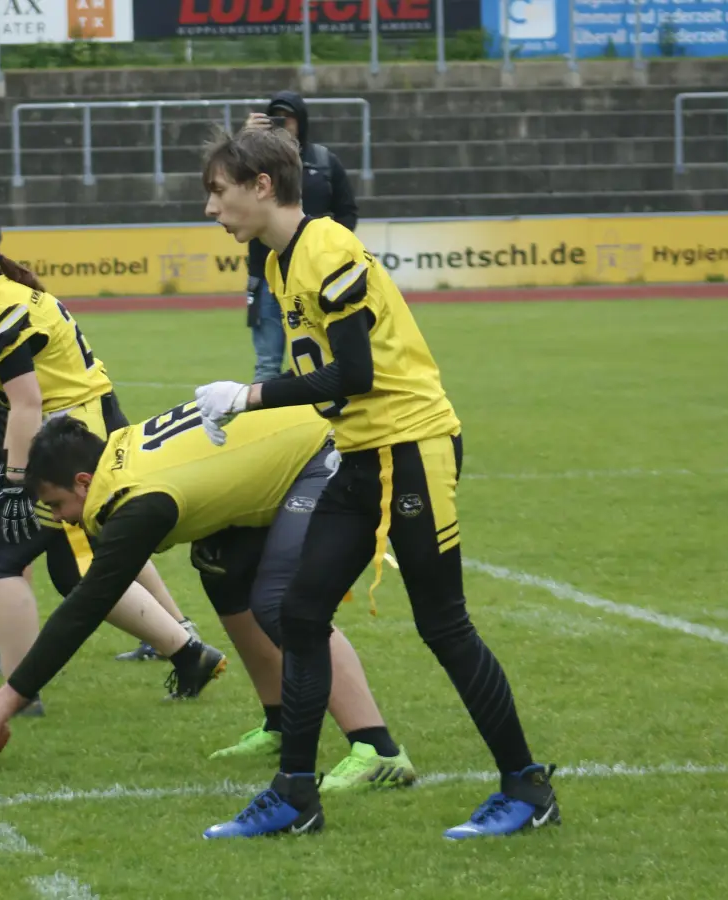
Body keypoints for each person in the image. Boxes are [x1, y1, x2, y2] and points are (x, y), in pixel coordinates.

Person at [193, 127, 556, 840]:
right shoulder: (277, 261)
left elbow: (356, 374)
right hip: (362, 452)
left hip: (410, 448)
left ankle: (527, 787)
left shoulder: (327, 249)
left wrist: (249, 397)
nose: (211, 208)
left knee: (443, 624)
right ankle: (296, 794)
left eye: (217, 190)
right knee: (299, 612)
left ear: (262, 185)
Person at [0, 407, 418, 795]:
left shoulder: (133, 498)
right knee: (222, 573)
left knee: (280, 602)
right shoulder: (117, 458)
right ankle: (281, 724)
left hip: (324, 454)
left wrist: (9, 696)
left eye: (60, 504)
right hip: (287, 452)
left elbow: (88, 604)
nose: (65, 520)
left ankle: (379, 749)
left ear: (84, 482)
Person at [0, 274, 223, 699]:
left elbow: (21, 406)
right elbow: (7, 413)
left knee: (7, 557)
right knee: (80, 565)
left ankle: (19, 686)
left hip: (70, 439)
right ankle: (183, 647)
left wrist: (1, 477)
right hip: (62, 437)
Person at [242, 93, 358, 383]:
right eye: (276, 117)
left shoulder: (323, 161)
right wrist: (244, 141)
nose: (283, 124)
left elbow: (347, 211)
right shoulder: (254, 163)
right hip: (269, 274)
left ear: (302, 121)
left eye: (289, 117)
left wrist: (331, 247)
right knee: (267, 365)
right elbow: (232, 188)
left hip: (317, 274)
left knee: (325, 360)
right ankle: (263, 426)